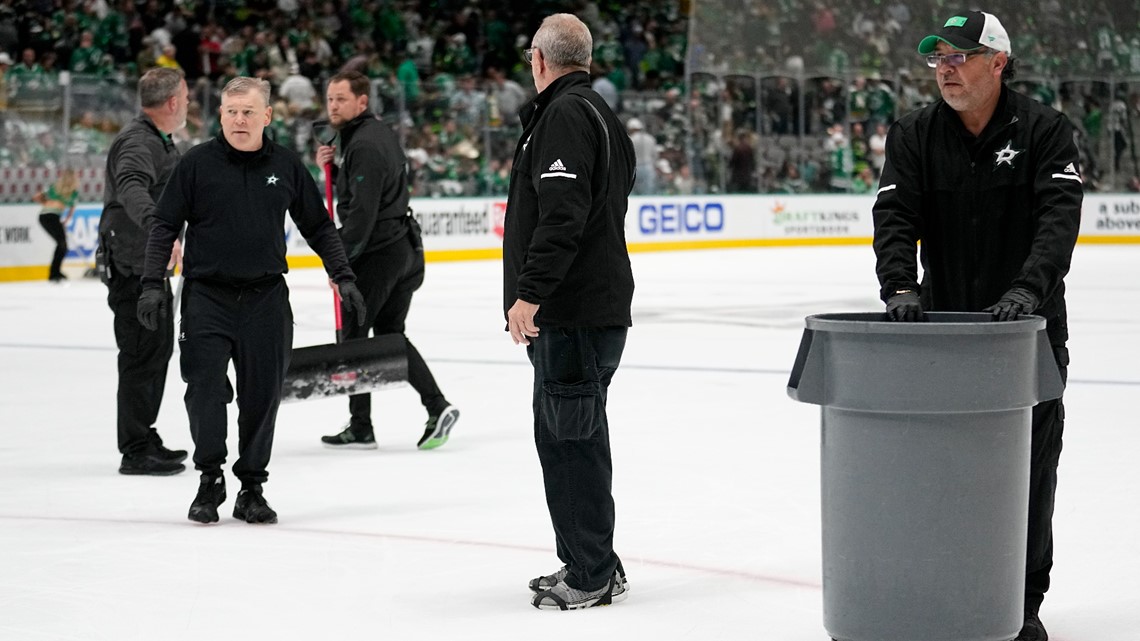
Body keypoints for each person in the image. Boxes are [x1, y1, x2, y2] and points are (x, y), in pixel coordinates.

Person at [871, 12, 1082, 641]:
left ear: (998, 62)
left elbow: (1057, 222)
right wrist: (900, 287)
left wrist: (1027, 290)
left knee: (1029, 470)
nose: (946, 68)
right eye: (938, 59)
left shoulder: (1046, 131)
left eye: (960, 57)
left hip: (1029, 334)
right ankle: (946, 588)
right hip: (946, 335)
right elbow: (893, 214)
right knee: (941, 469)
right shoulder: (912, 133)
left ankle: (1021, 603)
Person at [137, 77, 366, 525]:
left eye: (248, 111)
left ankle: (252, 487)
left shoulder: (285, 165)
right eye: (230, 111)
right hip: (207, 296)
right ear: (220, 115)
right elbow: (164, 225)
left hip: (266, 299)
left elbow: (318, 227)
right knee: (203, 388)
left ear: (267, 116)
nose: (239, 119)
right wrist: (150, 283)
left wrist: (343, 276)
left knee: (261, 397)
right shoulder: (196, 164)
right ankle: (210, 478)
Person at [503, 14, 636, 611]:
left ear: (539, 60)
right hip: (589, 310)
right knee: (575, 435)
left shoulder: (562, 116)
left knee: (570, 442)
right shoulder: (600, 113)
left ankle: (590, 573)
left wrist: (530, 293)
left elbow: (563, 215)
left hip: (573, 314)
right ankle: (592, 559)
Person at [316, 70, 460, 452]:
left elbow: (361, 216)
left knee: (353, 337)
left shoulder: (363, 145)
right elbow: (368, 194)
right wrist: (331, 170)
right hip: (403, 249)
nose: (333, 106)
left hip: (380, 253)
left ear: (362, 101)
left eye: (341, 99)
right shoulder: (373, 135)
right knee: (389, 336)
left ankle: (362, 426)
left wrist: (339, 264)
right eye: (330, 99)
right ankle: (436, 405)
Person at [99, 67, 190, 476]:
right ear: (172, 102)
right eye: (186, 98)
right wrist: (160, 231)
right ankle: (134, 447)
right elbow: (131, 187)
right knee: (140, 354)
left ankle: (144, 432)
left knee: (155, 350)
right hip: (133, 267)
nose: (188, 104)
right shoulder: (138, 143)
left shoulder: (158, 140)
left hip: (147, 267)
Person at [34, 168, 79, 282]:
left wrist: (47, 204)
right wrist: (66, 219)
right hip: (53, 216)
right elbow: (72, 208)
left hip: (45, 215)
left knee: (61, 244)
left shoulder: (55, 188)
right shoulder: (73, 192)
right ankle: (54, 272)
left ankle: (55, 271)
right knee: (62, 244)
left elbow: (37, 196)